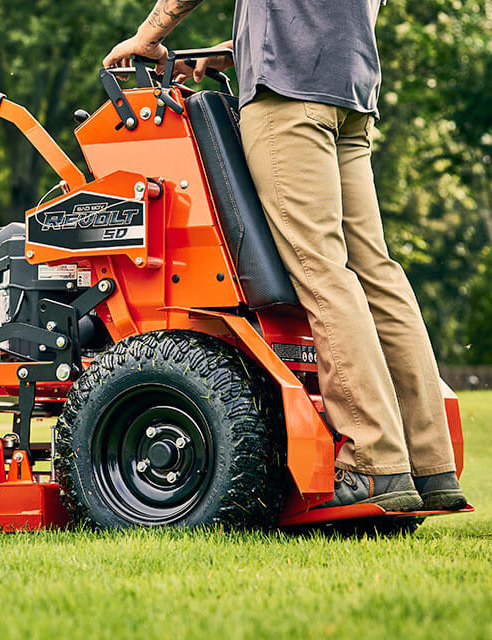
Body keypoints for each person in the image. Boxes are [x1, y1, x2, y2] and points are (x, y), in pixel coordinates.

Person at [103, 0, 467, 511]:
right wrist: (240, 52)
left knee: (321, 271)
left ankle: (373, 460)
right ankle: (431, 465)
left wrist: (149, 36)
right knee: (376, 274)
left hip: (287, 103)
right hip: (349, 92)